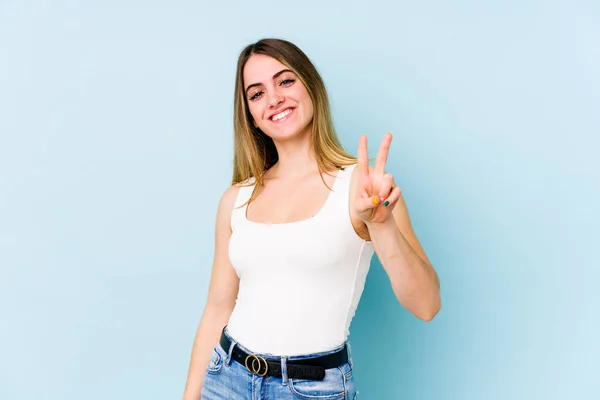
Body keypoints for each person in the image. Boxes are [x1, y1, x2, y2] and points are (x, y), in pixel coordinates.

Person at [182, 38, 441, 400]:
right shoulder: (236, 198)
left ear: (311, 87)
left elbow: (427, 305)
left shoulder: (364, 188)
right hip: (227, 379)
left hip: (311, 389)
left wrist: (382, 225)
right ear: (251, 117)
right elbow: (218, 307)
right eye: (256, 94)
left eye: (285, 81)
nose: (273, 99)